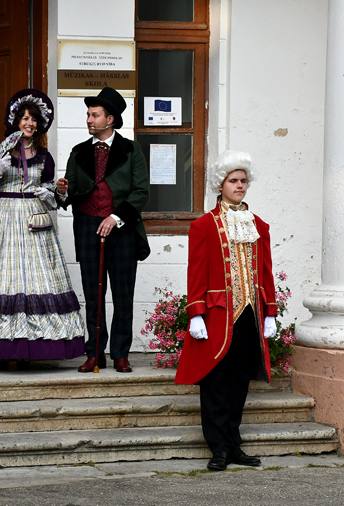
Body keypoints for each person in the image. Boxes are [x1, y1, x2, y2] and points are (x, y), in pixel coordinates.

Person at [174, 150, 278, 472]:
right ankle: (218, 447)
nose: (240, 186)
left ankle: (234, 445)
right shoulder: (204, 226)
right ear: (221, 184)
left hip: (249, 313)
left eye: (243, 181)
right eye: (233, 181)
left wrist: (270, 311)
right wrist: (196, 313)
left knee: (239, 382)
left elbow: (266, 270)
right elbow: (197, 272)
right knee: (216, 382)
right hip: (218, 314)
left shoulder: (258, 224)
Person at [0, 89, 85, 368]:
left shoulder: (44, 156)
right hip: (4, 219)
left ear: (40, 124)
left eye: (33, 119)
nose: (29, 123)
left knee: (36, 278)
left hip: (34, 220)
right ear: (15, 122)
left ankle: (30, 351)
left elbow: (49, 193)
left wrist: (56, 190)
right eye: (24, 118)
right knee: (3, 279)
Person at [56, 87, 150, 373]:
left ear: (110, 119)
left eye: (94, 115)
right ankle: (95, 353)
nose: (89, 119)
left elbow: (141, 192)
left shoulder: (131, 150)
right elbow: (69, 192)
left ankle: (121, 353)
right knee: (92, 293)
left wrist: (116, 217)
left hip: (122, 231)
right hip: (87, 227)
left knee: (123, 293)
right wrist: (62, 191)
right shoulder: (79, 152)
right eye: (88, 114)